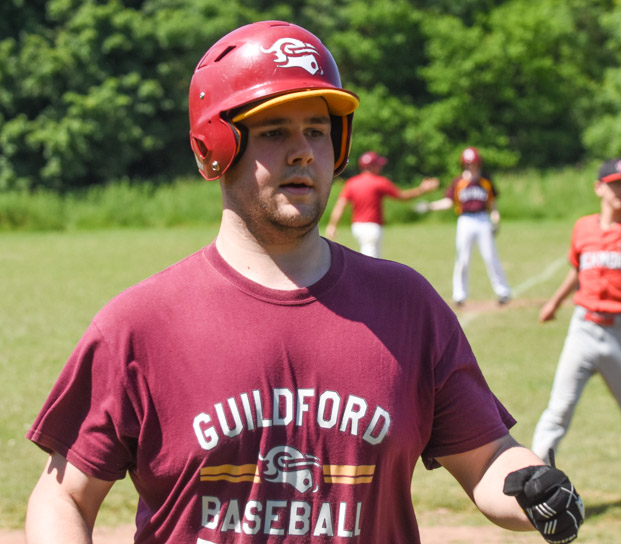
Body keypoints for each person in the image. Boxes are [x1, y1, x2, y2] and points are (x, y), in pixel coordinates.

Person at [25, 21, 584, 543]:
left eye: (317, 130)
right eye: (274, 132)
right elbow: (63, 495)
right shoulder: (141, 323)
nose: (303, 151)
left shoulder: (407, 304)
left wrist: (534, 489)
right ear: (213, 146)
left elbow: (487, 460)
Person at [531, 158, 621, 500]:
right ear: (599, 188)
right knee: (558, 411)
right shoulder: (583, 227)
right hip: (582, 328)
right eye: (614, 184)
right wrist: (554, 303)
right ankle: (535, 482)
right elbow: (577, 269)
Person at [420, 147, 512, 307]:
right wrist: (430, 206)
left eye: (474, 163)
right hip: (465, 220)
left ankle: (503, 292)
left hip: (483, 219)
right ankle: (459, 295)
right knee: (462, 259)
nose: (471, 167)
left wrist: (495, 219)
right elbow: (449, 202)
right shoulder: (459, 182)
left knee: (490, 257)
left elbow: (492, 204)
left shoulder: (485, 181)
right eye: (468, 164)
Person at [325, 151, 438, 258]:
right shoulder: (379, 182)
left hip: (357, 227)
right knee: (370, 262)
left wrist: (332, 225)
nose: (380, 167)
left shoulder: (351, 183)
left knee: (373, 258)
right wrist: (421, 189)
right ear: (371, 166)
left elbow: (340, 205)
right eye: (378, 165)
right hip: (372, 227)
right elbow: (402, 196)